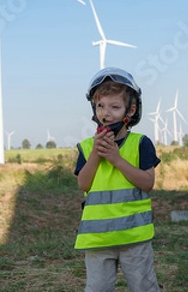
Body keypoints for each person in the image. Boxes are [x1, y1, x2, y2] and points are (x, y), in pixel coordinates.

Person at [74, 67, 161, 292]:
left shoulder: (141, 143)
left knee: (144, 287)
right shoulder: (86, 148)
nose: (106, 113)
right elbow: (84, 184)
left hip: (134, 238)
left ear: (130, 111)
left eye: (115, 107)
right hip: (98, 241)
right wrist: (96, 153)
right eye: (100, 106)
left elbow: (147, 183)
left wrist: (115, 158)